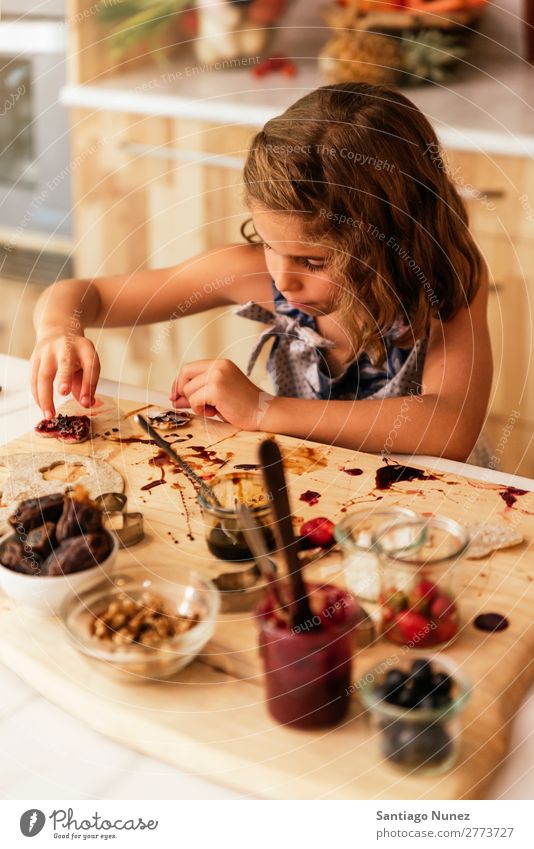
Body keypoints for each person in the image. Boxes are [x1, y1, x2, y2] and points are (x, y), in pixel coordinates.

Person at [31, 83, 492, 463]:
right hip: (320, 483)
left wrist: (263, 408)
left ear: (393, 244)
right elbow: (87, 294)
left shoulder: (443, 285)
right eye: (271, 246)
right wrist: (59, 330)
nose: (284, 280)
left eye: (313, 262)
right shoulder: (253, 273)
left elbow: (447, 428)